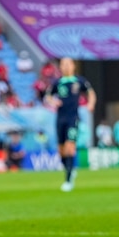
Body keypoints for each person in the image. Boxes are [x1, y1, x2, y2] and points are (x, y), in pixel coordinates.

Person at [44, 57, 96, 192]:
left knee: (69, 147)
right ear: (60, 67)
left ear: (73, 66)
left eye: (68, 64)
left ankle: (68, 181)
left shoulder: (79, 81)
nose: (66, 66)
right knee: (61, 150)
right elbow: (48, 96)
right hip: (60, 118)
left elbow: (91, 93)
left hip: (73, 118)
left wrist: (90, 104)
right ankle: (69, 169)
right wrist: (52, 101)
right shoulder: (57, 83)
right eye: (63, 64)